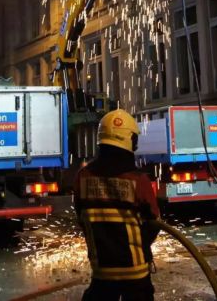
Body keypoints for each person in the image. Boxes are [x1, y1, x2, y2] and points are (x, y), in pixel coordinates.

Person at [74, 109, 160, 301]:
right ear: (130, 141)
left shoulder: (83, 177)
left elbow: (81, 217)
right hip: (136, 273)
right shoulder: (139, 181)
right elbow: (154, 223)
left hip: (102, 272)